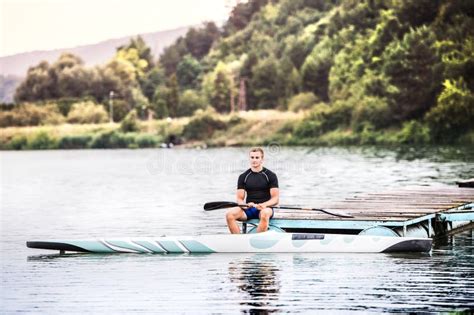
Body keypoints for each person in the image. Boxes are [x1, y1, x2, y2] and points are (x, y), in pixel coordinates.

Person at [226, 147, 279, 234]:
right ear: (249, 159)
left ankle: (259, 242)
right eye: (252, 157)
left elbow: (275, 199)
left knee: (265, 213)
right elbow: (239, 199)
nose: (254, 160)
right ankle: (239, 241)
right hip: (249, 209)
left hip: (265, 209)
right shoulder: (243, 176)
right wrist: (244, 205)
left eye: (257, 158)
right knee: (229, 214)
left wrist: (264, 205)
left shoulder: (270, 175)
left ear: (262, 159)